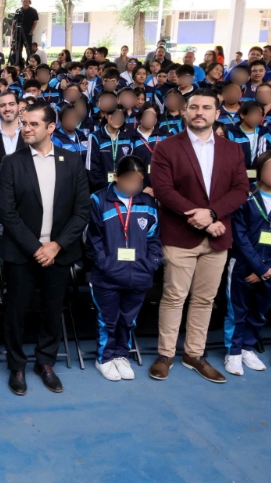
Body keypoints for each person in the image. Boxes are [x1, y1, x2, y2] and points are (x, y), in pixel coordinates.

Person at [148, 89, 250, 383]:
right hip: (180, 235)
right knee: (174, 297)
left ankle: (194, 354)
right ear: (185, 112)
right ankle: (166, 354)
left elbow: (241, 190)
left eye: (206, 107)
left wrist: (213, 214)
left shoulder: (232, 150)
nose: (199, 112)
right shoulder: (167, 147)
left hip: (218, 237)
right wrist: (204, 220)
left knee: (205, 300)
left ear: (217, 114)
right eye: (194, 107)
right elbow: (163, 190)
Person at [0, 103, 90, 395]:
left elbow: (82, 211)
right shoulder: (11, 163)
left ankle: (45, 362)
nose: (26, 129)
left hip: (59, 253)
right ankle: (16, 366)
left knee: (52, 311)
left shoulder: (72, 161)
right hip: (22, 253)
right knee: (16, 313)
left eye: (33, 124)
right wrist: (37, 248)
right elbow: (7, 213)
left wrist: (56, 246)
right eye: (24, 123)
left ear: (51, 127)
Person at [86, 155, 162, 381]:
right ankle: (105, 358)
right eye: (129, 180)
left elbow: (154, 238)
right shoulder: (98, 200)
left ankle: (121, 355)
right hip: (107, 275)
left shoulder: (147, 202)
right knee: (108, 320)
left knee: (128, 320)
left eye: (139, 182)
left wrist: (151, 264)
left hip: (139, 274)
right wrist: (107, 265)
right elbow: (93, 240)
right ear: (117, 177)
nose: (134, 186)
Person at [225, 151, 271, 375]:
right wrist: (259, 267)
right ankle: (233, 352)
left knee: (260, 311)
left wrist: (267, 269)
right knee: (237, 310)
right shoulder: (245, 196)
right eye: (268, 168)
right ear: (259, 171)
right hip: (243, 264)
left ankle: (247, 348)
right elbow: (239, 235)